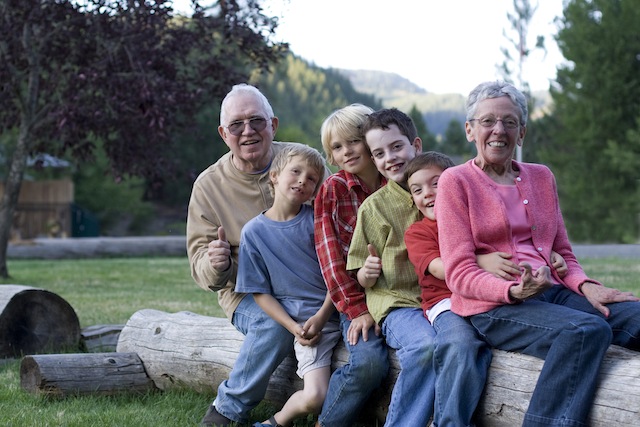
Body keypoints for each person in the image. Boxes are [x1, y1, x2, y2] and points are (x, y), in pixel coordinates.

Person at [435, 80, 640, 427]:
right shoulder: (456, 182)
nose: (498, 130)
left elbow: (563, 252)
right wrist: (511, 291)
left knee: (634, 317)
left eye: (509, 122)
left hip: (553, 293)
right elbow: (458, 272)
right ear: (470, 130)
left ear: (522, 131)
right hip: (495, 307)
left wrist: (587, 286)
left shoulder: (541, 177)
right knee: (585, 331)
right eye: (488, 121)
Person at [186, 83, 327, 426]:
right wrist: (216, 264)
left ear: (273, 125)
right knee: (274, 324)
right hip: (246, 293)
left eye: (257, 121)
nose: (248, 131)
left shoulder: (303, 163)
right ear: (224, 133)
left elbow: (338, 212)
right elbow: (199, 265)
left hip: (311, 288)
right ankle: (226, 411)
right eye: (236, 125)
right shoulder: (208, 186)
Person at [403, 151, 569, 426]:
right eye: (418, 190)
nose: (429, 193)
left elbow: (517, 244)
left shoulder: (469, 217)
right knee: (462, 344)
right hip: (446, 301)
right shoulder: (419, 232)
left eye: (436, 183)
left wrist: (551, 257)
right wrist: (477, 260)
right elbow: (441, 269)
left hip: (484, 295)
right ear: (413, 199)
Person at [234, 143, 340, 427]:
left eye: (312, 178)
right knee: (316, 396)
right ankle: (277, 422)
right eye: (296, 171)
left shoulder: (319, 222)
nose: (303, 180)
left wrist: (323, 315)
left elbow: (336, 276)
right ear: (275, 176)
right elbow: (260, 292)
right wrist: (294, 327)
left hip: (336, 314)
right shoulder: (254, 233)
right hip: (305, 327)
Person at [346, 107, 435, 426]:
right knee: (425, 347)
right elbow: (358, 270)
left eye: (397, 146)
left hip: (440, 301)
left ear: (416, 145)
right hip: (397, 302)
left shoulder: (441, 192)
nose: (390, 157)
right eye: (379, 153)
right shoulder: (374, 208)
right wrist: (366, 272)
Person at [313, 104, 389, 427]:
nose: (346, 151)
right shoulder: (334, 190)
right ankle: (327, 422)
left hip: (402, 293)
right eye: (337, 147)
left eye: (353, 141)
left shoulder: (396, 181)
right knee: (370, 362)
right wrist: (357, 309)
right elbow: (331, 260)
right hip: (356, 300)